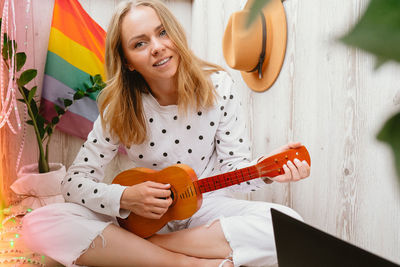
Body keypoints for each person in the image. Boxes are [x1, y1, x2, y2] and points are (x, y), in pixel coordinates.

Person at [22, 0, 310, 266]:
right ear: (128, 62)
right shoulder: (118, 108)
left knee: (288, 226)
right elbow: (74, 183)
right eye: (140, 43)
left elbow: (234, 172)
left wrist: (265, 170)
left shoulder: (219, 87)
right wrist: (126, 197)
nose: (157, 47)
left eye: (162, 33)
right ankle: (183, 263)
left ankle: (145, 248)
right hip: (141, 217)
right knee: (37, 223)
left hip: (205, 213)